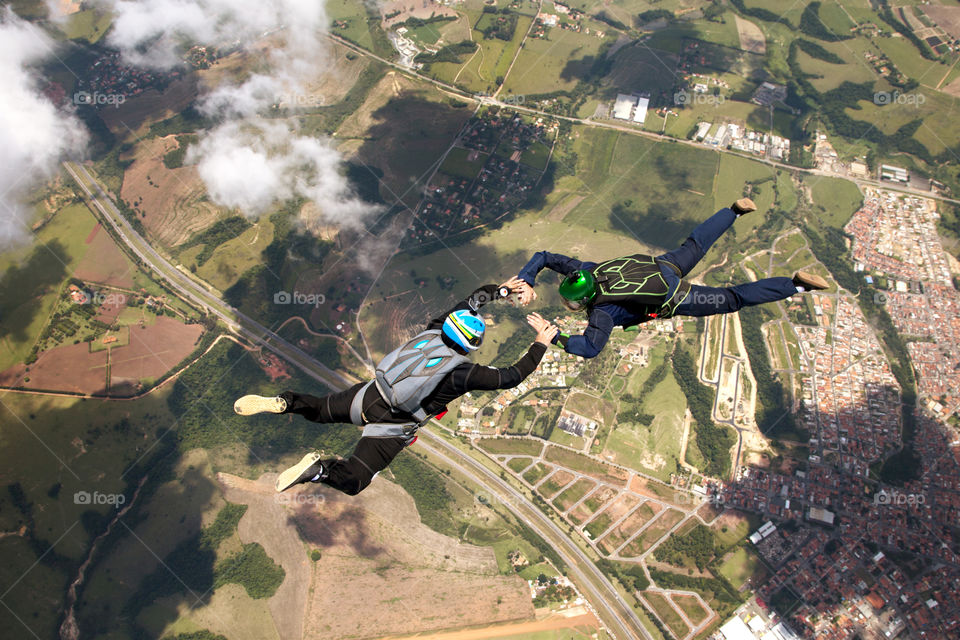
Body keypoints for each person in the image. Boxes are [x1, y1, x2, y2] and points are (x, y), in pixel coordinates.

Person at [233, 279, 558, 496]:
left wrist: (502, 291)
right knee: (355, 479)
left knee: (319, 409)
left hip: (371, 394)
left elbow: (474, 299)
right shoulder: (463, 373)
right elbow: (511, 376)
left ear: (449, 325)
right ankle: (319, 471)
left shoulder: (434, 328)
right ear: (471, 345)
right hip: (394, 424)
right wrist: (541, 342)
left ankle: (285, 402)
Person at [512, 198, 828, 359]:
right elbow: (545, 256)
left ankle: (795, 285)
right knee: (695, 246)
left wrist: (554, 337)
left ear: (583, 300)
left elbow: (591, 348)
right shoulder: (588, 268)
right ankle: (733, 211)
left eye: (572, 303)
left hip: (674, 296)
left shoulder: (601, 314)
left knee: (732, 298)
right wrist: (528, 278)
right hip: (662, 265)